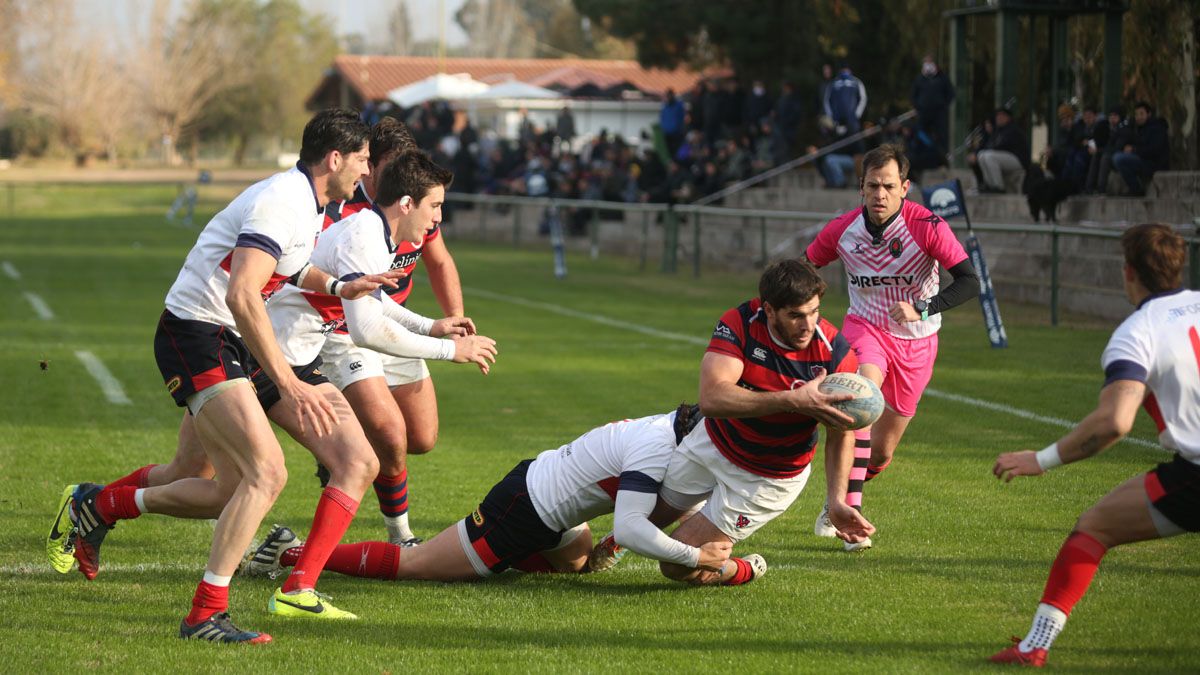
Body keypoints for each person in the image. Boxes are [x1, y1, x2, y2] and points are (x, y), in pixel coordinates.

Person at [52, 108, 413, 643]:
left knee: (227, 489)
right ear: (334, 158)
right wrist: (288, 383)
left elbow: (290, 270)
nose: (366, 170)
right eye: (361, 159)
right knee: (266, 474)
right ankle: (204, 615)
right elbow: (243, 293)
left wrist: (342, 287)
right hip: (198, 334)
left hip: (235, 339)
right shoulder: (283, 201)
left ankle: (99, 504)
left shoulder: (310, 204)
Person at [989, 223, 1199, 667]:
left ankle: (1034, 646)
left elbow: (1114, 421)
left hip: (1195, 474)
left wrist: (1041, 459)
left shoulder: (1139, 331)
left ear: (1127, 272)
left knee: (1092, 529)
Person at [242, 404, 733, 583]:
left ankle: (499, 557)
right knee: (417, 566)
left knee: (578, 564)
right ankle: (289, 553)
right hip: (525, 507)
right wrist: (694, 554)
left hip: (553, 504)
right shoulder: (655, 448)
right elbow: (630, 524)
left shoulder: (675, 432)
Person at [281, 146, 497, 547]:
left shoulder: (379, 231)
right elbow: (364, 330)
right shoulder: (362, 230)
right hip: (283, 352)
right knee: (265, 473)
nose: (438, 218)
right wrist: (452, 352)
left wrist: (434, 327)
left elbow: (376, 303)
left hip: (300, 347)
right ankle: (389, 541)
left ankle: (288, 558)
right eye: (435, 206)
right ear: (406, 201)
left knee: (415, 439)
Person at [624, 260, 875, 586]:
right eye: (796, 315)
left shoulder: (834, 354)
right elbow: (712, 399)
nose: (808, 325)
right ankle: (608, 548)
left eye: (814, 312)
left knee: (674, 565)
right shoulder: (741, 322)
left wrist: (838, 499)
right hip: (713, 444)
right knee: (642, 519)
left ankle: (740, 570)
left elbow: (841, 432)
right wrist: (792, 399)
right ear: (769, 310)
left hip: (766, 479)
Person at [805, 144, 979, 551]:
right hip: (865, 328)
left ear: (905, 187)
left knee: (881, 453)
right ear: (860, 188)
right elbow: (806, 264)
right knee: (863, 398)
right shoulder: (842, 230)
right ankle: (851, 518)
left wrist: (924, 307)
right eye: (871, 186)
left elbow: (969, 281)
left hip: (918, 343)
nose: (879, 194)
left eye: (887, 186)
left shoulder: (929, 226)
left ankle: (840, 500)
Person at [1111, 101, 1170, 197]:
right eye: (1136, 114)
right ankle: (1135, 189)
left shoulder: (1157, 128)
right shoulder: (1138, 128)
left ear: (1149, 114)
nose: (1138, 117)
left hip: (1154, 163)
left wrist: (1134, 150)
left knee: (1118, 158)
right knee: (1117, 158)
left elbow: (1154, 150)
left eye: (1141, 114)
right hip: (1143, 160)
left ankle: (1136, 189)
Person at [971, 107, 1029, 193]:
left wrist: (989, 148)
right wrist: (976, 154)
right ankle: (990, 185)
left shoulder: (1012, 129)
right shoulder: (998, 130)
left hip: (1018, 160)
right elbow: (989, 145)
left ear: (1008, 118)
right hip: (1006, 158)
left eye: (1001, 116)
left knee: (989, 155)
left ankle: (999, 186)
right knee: (981, 155)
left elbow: (1002, 146)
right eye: (997, 116)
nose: (998, 118)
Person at [910, 55, 955, 161]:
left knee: (942, 135)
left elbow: (951, 93)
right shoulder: (919, 79)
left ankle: (943, 158)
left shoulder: (942, 78)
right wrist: (918, 106)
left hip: (939, 113)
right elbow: (913, 95)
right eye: (926, 63)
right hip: (924, 113)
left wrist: (943, 105)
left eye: (930, 63)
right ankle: (918, 156)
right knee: (920, 133)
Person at [823, 62, 867, 138]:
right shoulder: (833, 83)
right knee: (841, 144)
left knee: (852, 143)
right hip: (838, 122)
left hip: (850, 121)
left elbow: (863, 99)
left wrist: (856, 115)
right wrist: (831, 117)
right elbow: (826, 101)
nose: (845, 71)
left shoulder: (856, 82)